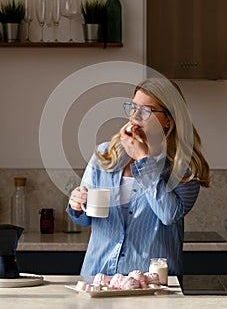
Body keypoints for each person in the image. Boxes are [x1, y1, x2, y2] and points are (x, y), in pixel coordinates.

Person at [67, 77, 209, 278]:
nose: (135, 116)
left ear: (169, 120)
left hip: (152, 286)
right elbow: (85, 218)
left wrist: (143, 159)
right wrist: (77, 205)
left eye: (146, 111)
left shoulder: (184, 168)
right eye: (133, 108)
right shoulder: (106, 154)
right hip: (98, 278)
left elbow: (169, 215)